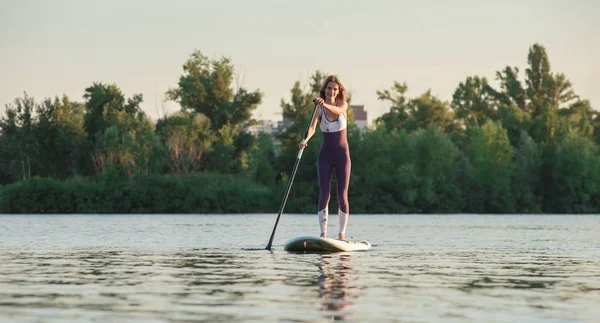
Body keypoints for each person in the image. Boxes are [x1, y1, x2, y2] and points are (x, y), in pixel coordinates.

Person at [299, 75, 351, 241]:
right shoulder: (318, 109)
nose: (332, 91)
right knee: (324, 194)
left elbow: (337, 111)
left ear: (338, 91)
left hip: (342, 156)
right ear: (325, 89)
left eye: (335, 89)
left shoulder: (342, 105)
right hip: (325, 156)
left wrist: (324, 103)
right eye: (329, 88)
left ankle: (341, 236)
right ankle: (323, 234)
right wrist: (304, 140)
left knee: (342, 196)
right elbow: (313, 127)